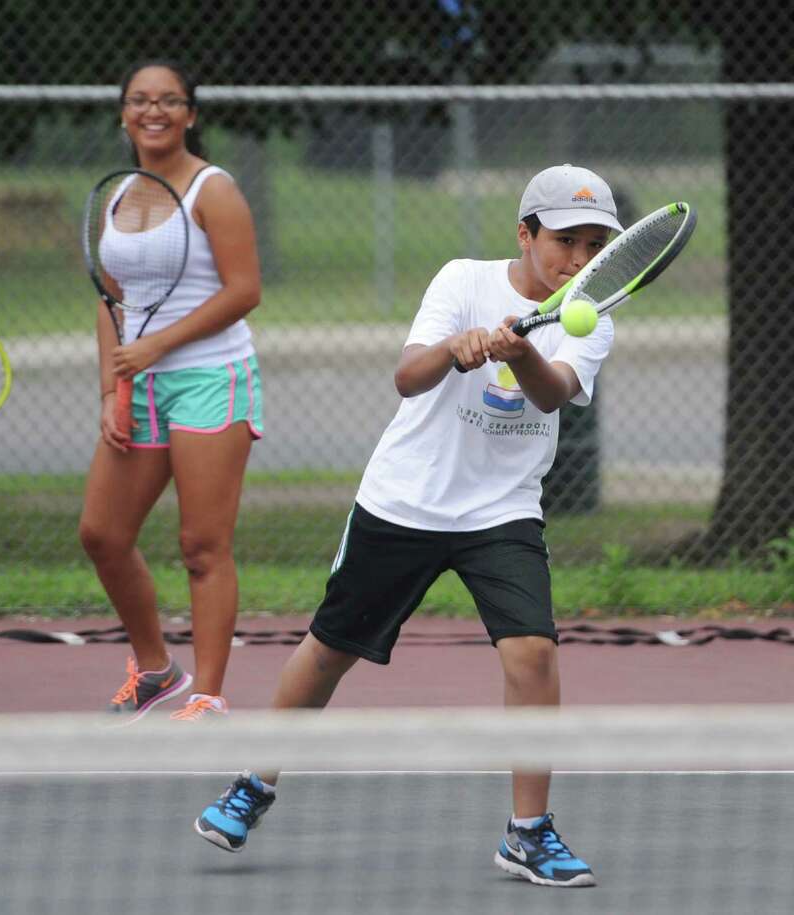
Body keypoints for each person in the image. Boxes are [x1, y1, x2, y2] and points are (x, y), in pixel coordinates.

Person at [194, 163, 622, 888]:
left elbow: (553, 396)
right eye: (565, 240)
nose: (578, 260)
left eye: (593, 246)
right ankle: (253, 782)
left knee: (533, 655)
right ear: (525, 233)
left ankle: (528, 832)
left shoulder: (593, 315)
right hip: (405, 500)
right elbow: (407, 376)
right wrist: (453, 351)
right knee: (329, 650)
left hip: (501, 509)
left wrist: (521, 355)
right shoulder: (461, 281)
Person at [78, 60, 263, 723]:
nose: (152, 111)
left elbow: (245, 291)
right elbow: (112, 301)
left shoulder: (215, 190)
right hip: (142, 386)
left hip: (213, 379)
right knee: (102, 532)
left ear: (190, 114)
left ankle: (208, 694)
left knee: (201, 545)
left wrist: (159, 345)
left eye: (168, 101)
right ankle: (156, 668)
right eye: (138, 100)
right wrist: (114, 388)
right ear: (123, 112)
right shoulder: (120, 193)